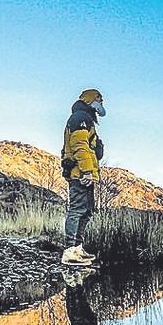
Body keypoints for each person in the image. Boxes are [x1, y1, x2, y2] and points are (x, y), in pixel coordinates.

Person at [61, 88, 106, 265]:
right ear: (91, 101)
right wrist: (87, 171)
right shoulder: (80, 118)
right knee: (77, 210)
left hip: (85, 174)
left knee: (86, 212)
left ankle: (77, 249)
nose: (101, 105)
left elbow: (91, 150)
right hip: (80, 174)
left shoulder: (86, 119)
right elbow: (79, 146)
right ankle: (70, 250)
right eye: (99, 100)